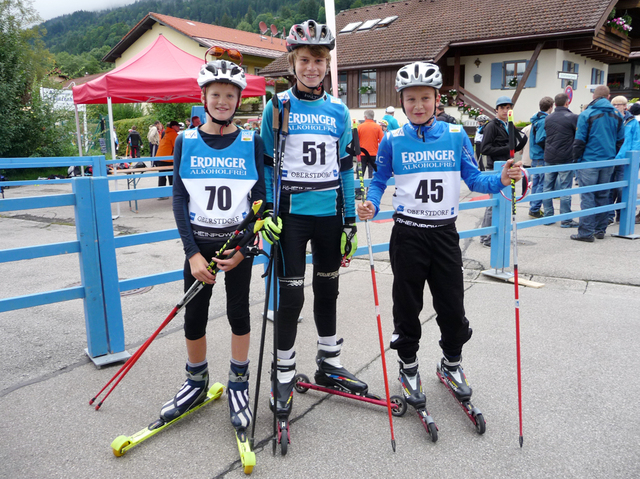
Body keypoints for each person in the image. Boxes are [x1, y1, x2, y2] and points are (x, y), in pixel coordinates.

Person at [356, 61, 523, 413]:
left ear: (436, 99)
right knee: (407, 306)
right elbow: (379, 180)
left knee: (451, 305)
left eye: (425, 98)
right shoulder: (392, 140)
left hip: (445, 234)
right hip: (409, 235)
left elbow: (476, 180)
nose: (418, 105)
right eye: (411, 99)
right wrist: (370, 203)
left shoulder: (455, 135)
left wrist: (503, 180)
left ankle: (450, 364)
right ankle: (409, 367)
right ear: (402, 102)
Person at [260, 19, 366, 427]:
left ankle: (330, 362)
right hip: (290, 217)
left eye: (319, 61)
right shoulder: (278, 106)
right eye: (304, 60)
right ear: (292, 61)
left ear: (327, 65)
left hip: (328, 217)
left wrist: (350, 222)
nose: (311, 68)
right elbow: (269, 167)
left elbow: (345, 169)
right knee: (291, 298)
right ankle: (284, 371)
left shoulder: (338, 111)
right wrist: (269, 212)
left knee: (328, 289)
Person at [160, 54, 266, 434]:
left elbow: (260, 200)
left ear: (239, 100)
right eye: (216, 94)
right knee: (194, 316)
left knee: (239, 313)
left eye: (230, 95)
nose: (222, 101)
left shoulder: (251, 140)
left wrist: (243, 249)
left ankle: (238, 381)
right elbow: (178, 198)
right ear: (203, 97)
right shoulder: (186, 140)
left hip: (236, 246)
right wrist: (191, 254)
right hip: (199, 246)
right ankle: (196, 380)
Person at [571, 85, 624, 242]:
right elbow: (620, 140)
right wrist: (612, 155)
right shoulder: (617, 115)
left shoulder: (587, 114)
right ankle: (600, 230)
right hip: (608, 161)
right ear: (608, 97)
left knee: (588, 196)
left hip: (589, 161)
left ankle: (586, 232)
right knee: (603, 195)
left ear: (594, 96)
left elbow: (579, 141)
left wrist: (576, 160)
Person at [479, 96, 527, 246]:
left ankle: (498, 234)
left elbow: (515, 145)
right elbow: (485, 149)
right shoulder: (492, 126)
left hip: (508, 168)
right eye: (503, 108)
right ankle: (486, 237)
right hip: (495, 168)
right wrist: (508, 148)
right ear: (496, 110)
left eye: (509, 107)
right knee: (494, 204)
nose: (506, 110)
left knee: (505, 203)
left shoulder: (509, 124)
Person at [537, 92, 579, 228]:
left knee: (547, 187)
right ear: (567, 103)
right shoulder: (572, 117)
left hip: (549, 156)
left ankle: (548, 216)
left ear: (554, 104)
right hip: (565, 157)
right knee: (565, 188)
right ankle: (566, 219)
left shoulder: (548, 119)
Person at [608, 95, 640, 224]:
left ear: (625, 106)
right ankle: (609, 214)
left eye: (619, 104)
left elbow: (636, 141)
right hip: (612, 158)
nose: (616, 107)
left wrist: (633, 158)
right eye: (614, 105)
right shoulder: (610, 119)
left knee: (622, 189)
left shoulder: (632, 121)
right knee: (610, 188)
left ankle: (621, 214)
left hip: (625, 159)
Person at [528, 96, 554, 218]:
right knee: (542, 183)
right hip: (541, 155)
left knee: (536, 182)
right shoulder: (544, 120)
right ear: (551, 107)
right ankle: (534, 208)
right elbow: (540, 139)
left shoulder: (536, 119)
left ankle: (533, 206)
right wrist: (548, 149)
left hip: (535, 154)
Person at [357, 109, 384, 178]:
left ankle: (358, 188)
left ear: (365, 117)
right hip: (373, 154)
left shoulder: (360, 127)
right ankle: (371, 187)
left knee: (360, 173)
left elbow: (355, 141)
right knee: (372, 174)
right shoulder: (378, 127)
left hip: (362, 153)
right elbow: (382, 141)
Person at [156, 121, 181, 190]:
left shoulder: (167, 133)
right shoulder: (174, 135)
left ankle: (161, 193)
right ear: (173, 126)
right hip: (168, 159)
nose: (179, 127)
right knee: (172, 176)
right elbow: (178, 147)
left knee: (162, 176)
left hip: (160, 158)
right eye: (177, 126)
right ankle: (173, 191)